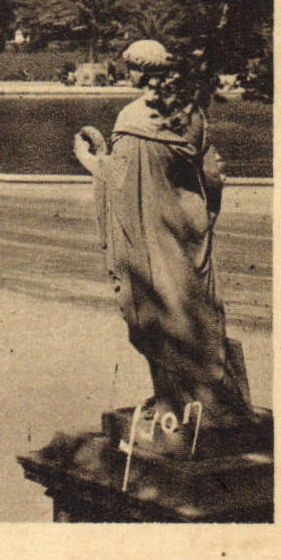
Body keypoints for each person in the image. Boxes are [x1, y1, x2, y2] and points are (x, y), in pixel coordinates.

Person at [73, 39, 253, 428]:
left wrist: (91, 159)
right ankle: (209, 400)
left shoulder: (132, 118)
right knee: (196, 313)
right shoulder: (192, 114)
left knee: (155, 314)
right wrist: (207, 215)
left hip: (151, 237)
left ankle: (173, 402)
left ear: (138, 72)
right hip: (188, 233)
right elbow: (212, 175)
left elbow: (119, 182)